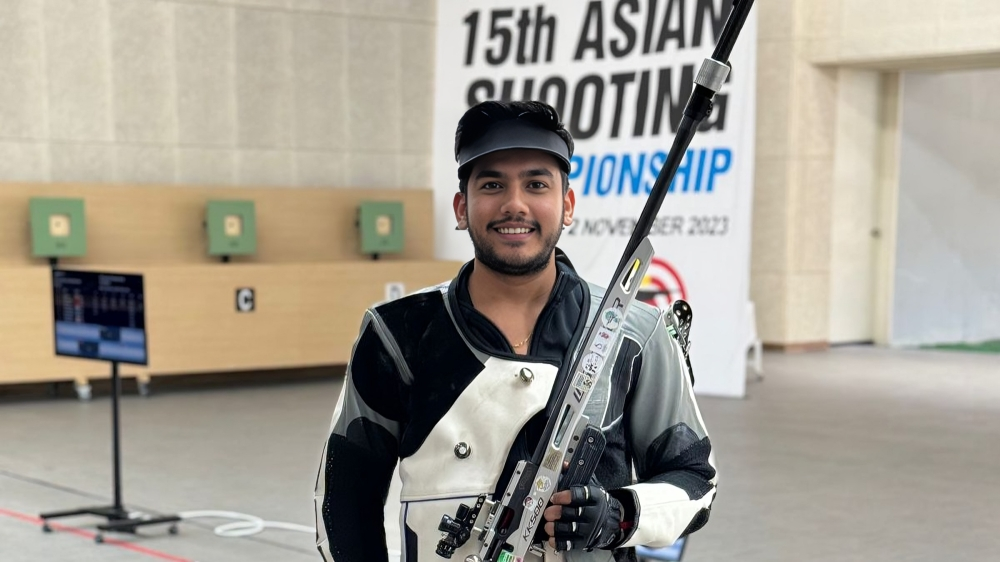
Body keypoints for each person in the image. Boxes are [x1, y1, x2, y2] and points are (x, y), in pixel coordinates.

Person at [314, 100, 717, 562]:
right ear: (462, 207)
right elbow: (345, 499)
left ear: (566, 205)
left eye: (536, 183)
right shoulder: (396, 333)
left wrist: (620, 515)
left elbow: (695, 479)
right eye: (492, 184)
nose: (515, 204)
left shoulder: (638, 333)